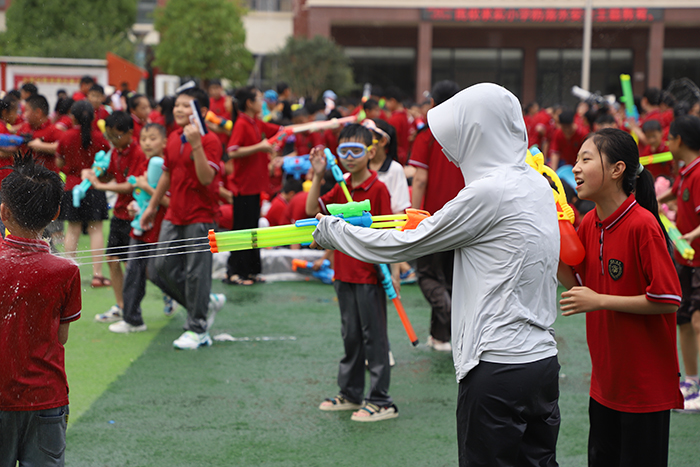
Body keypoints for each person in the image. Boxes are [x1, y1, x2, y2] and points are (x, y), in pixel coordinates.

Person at [311, 84, 561, 461]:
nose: (448, 150)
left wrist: (336, 232)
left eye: (459, 137)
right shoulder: (534, 183)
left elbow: (404, 245)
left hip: (496, 367)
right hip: (541, 362)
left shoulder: (488, 192)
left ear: (479, 133)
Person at [559, 128, 683, 466]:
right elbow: (576, 281)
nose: (576, 168)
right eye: (576, 160)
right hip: (605, 384)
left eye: (586, 159)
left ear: (617, 170)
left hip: (644, 390)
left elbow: (667, 297)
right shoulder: (589, 223)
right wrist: (552, 236)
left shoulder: (643, 225)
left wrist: (600, 301)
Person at [306, 123, 397, 422]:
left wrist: (392, 273)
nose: (349, 157)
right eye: (343, 150)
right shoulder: (339, 185)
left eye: (356, 150)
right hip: (342, 274)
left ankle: (381, 400)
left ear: (370, 152)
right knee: (351, 336)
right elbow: (312, 212)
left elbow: (388, 233)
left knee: (375, 338)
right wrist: (318, 174)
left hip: (370, 275)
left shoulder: (379, 188)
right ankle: (350, 392)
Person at [0, 153, 81, 467]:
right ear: (56, 213)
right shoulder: (66, 271)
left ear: (4, 212)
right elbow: (60, 336)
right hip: (45, 399)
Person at [141, 86, 226, 350]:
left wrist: (197, 144)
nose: (178, 109)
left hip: (201, 216)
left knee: (196, 274)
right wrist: (152, 207)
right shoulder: (175, 137)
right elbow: (167, 173)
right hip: (174, 213)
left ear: (202, 112)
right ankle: (203, 304)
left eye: (186, 105)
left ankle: (198, 329)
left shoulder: (211, 141)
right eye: (177, 104)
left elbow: (206, 178)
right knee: (157, 269)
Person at [408, 80, 462, 351]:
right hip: (464, 216)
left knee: (427, 275)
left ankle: (454, 324)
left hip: (432, 218)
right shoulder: (467, 133)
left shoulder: (427, 134)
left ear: (433, 104)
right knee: (451, 278)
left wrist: (413, 217)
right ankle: (440, 337)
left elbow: (420, 179)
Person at [109, 123, 174, 333]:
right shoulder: (146, 164)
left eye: (152, 138)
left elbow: (170, 202)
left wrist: (147, 188)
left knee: (158, 274)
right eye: (144, 138)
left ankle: (198, 303)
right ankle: (132, 319)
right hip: (141, 228)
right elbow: (142, 197)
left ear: (165, 142)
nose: (147, 143)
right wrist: (134, 206)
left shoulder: (167, 166)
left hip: (160, 229)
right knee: (134, 273)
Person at [86, 111, 147, 323]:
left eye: (117, 136)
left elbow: (133, 183)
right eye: (110, 137)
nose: (113, 141)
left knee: (140, 267)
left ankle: (158, 300)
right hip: (120, 213)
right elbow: (109, 173)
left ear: (130, 132)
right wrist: (93, 175)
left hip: (137, 214)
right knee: (112, 260)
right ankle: (122, 306)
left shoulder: (139, 152)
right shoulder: (115, 152)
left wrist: (101, 185)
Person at [657, 115, 700, 411]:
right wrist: (656, 199)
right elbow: (675, 195)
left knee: (697, 321)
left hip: (698, 260)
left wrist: (688, 235)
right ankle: (692, 382)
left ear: (679, 141)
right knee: (683, 320)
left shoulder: (699, 173)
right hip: (684, 259)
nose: (666, 143)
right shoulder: (686, 172)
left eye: (669, 138)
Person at [224, 86, 280, 285]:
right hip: (243, 186)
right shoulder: (241, 123)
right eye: (259, 98)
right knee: (241, 229)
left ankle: (250, 271)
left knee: (252, 229)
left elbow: (278, 130)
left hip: (254, 187)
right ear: (249, 102)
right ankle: (233, 272)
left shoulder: (255, 122)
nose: (262, 102)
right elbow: (232, 151)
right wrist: (261, 147)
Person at [55, 100, 111, 287]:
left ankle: (68, 273)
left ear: (73, 116)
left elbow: (60, 163)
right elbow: (107, 164)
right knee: (96, 230)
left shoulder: (66, 136)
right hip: (94, 187)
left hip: (72, 187)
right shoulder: (99, 138)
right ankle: (97, 275)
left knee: (73, 230)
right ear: (94, 116)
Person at [384, 86, 410, 165]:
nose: (385, 105)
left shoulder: (394, 119)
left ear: (392, 101)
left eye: (386, 102)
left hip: (396, 157)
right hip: (405, 155)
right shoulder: (406, 115)